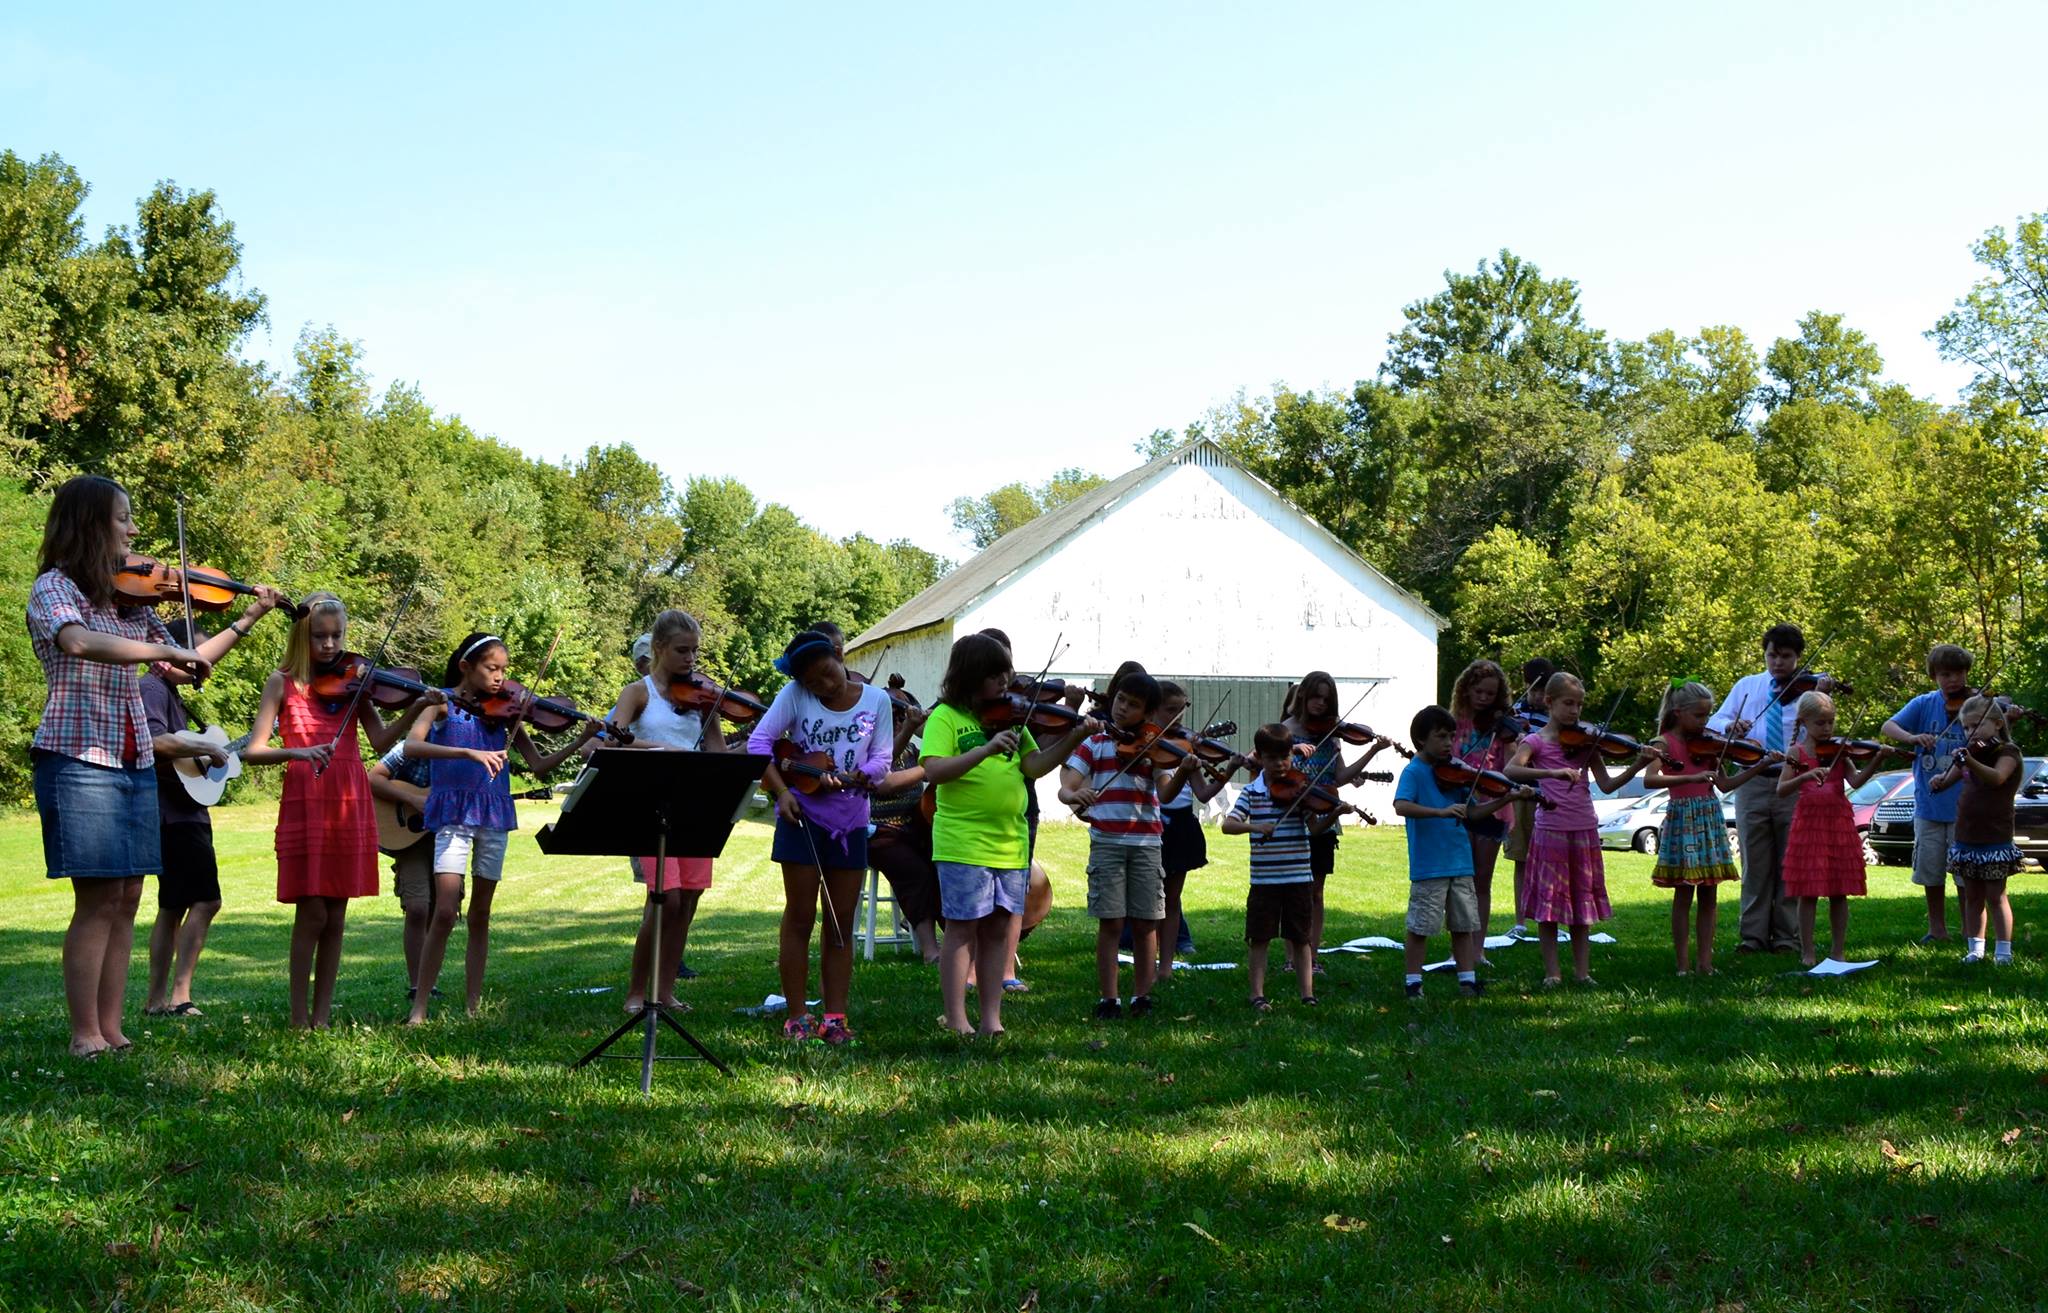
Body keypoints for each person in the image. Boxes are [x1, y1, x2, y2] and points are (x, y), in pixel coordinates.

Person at [27, 476, 217, 1057]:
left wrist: (249, 614)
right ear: (89, 523)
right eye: (122, 518)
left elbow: (189, 665)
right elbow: (79, 643)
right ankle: (85, 1034)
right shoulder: (55, 588)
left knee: (129, 895)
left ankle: (111, 1029)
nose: (133, 531)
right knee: (98, 896)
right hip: (79, 755)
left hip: (132, 757)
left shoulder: (128, 603)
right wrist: (164, 650)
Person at [243, 592, 437, 1028]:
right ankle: (298, 1017)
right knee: (311, 910)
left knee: (336, 911)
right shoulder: (282, 682)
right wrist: (299, 752)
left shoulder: (355, 684)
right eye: (319, 636)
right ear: (300, 635)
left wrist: (416, 708)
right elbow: (254, 751)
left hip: (348, 795)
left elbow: (383, 741)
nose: (330, 645)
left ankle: (322, 1016)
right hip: (307, 793)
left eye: (337, 636)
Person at [401, 632, 601, 1022]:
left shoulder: (507, 713)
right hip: (454, 814)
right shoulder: (441, 702)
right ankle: (420, 1007)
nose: (500, 678)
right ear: (466, 667)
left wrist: (582, 739)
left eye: (504, 670)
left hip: (493, 812)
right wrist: (468, 752)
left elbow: (539, 765)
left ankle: (473, 1007)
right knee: (444, 911)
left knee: (481, 914)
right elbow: (411, 746)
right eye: (492, 668)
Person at [922, 633, 1097, 1037]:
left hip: (1010, 842)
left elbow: (1033, 766)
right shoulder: (946, 718)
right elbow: (934, 770)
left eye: (1007, 675)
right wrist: (984, 750)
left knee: (1000, 928)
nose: (1005, 683)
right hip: (963, 842)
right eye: (995, 676)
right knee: (962, 928)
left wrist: (1074, 737)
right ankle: (956, 1017)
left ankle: (991, 1019)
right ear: (970, 677)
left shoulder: (1012, 717)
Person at [748, 629, 915, 1045]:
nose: (823, 685)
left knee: (841, 924)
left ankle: (835, 1017)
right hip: (801, 817)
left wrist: (870, 773)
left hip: (851, 821)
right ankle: (798, 1016)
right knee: (800, 917)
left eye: (827, 673)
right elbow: (759, 743)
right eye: (812, 681)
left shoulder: (876, 700)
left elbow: (880, 756)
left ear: (840, 655)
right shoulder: (794, 695)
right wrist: (782, 792)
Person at [142, 608, 285, 1018]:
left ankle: (155, 1000)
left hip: (177, 812)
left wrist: (220, 756)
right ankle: (179, 996)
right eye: (195, 659)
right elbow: (157, 742)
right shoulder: (153, 690)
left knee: (171, 906)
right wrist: (205, 749)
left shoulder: (170, 695)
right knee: (206, 900)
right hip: (177, 816)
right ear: (168, 657)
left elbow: (195, 757)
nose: (202, 668)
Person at [1059, 671, 1201, 1019]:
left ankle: (1142, 995)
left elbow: (1166, 793)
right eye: (1120, 700)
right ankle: (1110, 998)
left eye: (1133, 705)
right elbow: (1066, 785)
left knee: (1146, 922)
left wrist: (1183, 770)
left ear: (1148, 714)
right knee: (1110, 922)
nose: (1123, 709)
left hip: (1147, 842)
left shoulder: (1153, 748)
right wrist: (1075, 794)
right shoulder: (1095, 742)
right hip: (1106, 841)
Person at [608, 610, 727, 1010]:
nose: (691, 659)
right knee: (665, 900)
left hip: (694, 806)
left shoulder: (702, 698)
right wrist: (664, 751)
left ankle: (664, 991)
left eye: (695, 651)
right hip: (650, 804)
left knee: (689, 900)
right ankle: (636, 992)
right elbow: (614, 741)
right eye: (681, 650)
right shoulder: (637, 692)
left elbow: (718, 753)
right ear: (658, 648)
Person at [1505, 672, 1657, 985]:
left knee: (1580, 903)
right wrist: (1554, 772)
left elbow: (1607, 783)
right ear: (1549, 702)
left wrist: (1638, 765)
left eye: (1580, 705)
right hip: (1551, 829)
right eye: (1568, 703)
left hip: (1584, 828)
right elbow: (1511, 769)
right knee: (1549, 906)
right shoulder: (1535, 741)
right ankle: (1553, 973)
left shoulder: (1587, 743)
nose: (1575, 711)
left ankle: (1582, 972)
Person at [1645, 681, 1781, 976]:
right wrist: (1687, 779)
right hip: (1683, 819)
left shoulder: (1709, 745)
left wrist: (1761, 765)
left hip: (1709, 818)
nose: (1706, 723)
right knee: (1683, 894)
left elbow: (1724, 784)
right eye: (1699, 716)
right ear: (1679, 713)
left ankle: (1705, 963)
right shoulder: (1664, 743)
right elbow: (1650, 779)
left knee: (1709, 894)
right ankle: (1682, 965)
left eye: (1707, 716)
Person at [1707, 624, 1828, 954]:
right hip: (1751, 781)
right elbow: (1713, 722)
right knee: (1755, 863)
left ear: (1797, 657)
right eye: (1772, 655)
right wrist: (1729, 726)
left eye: (1786, 657)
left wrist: (1824, 692)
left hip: (1791, 781)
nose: (1778, 662)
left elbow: (1823, 731)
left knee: (1789, 862)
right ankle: (1753, 936)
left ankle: (1786, 937)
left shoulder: (1809, 692)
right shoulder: (1748, 686)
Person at [1393, 706, 1519, 999]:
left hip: (1460, 863)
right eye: (1441, 737)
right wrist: (1439, 811)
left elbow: (1473, 814)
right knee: (1421, 926)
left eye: (1451, 736)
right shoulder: (1414, 771)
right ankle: (1413, 982)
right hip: (1430, 866)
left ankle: (1467, 981)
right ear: (1421, 740)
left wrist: (1507, 798)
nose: (1449, 743)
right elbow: (1401, 805)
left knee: (1464, 925)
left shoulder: (1456, 772)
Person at [1281, 669, 1396, 961]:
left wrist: (1372, 751)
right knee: (1292, 892)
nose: (1320, 704)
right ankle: (1291, 957)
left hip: (1325, 815)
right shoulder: (1285, 730)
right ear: (1304, 695)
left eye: (1327, 699)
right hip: (1292, 815)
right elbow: (1268, 764)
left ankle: (1313, 956)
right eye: (1316, 697)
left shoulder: (1333, 735)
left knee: (1316, 892)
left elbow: (1341, 775)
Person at [1220, 724, 1336, 1010]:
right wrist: (1256, 825)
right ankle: (1257, 994)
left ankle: (1307, 993)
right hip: (1265, 880)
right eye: (1273, 758)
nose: (1281, 764)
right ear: (1259, 757)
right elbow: (1228, 825)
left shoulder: (1300, 790)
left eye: (1286, 757)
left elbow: (1315, 828)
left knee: (1301, 937)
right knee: (1259, 937)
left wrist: (1334, 813)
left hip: (1298, 877)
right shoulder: (1252, 792)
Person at [1778, 692, 1886, 967]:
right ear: (1804, 722)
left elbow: (1857, 780)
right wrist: (1804, 775)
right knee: (1809, 892)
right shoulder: (1796, 753)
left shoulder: (1840, 753)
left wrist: (1876, 759)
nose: (1827, 729)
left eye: (1830, 722)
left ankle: (1838, 951)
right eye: (1820, 723)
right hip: (1809, 825)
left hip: (1838, 823)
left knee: (1839, 890)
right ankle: (1808, 951)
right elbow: (1782, 789)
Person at [1878, 644, 1976, 943]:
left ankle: (1971, 930)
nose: (1954, 680)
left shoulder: (1975, 705)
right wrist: (1912, 737)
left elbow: (1994, 733)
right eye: (1946, 674)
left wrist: (2006, 716)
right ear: (1934, 676)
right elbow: (1888, 725)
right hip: (1929, 806)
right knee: (1930, 872)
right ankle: (1937, 929)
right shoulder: (1923, 704)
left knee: (1965, 874)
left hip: (1965, 806)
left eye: (1959, 673)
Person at [1927, 695, 2027, 964]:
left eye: (1975, 726)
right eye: (1966, 728)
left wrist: (1968, 761)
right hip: (1967, 834)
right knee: (1972, 896)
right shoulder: (1972, 754)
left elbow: (1996, 778)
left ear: (1996, 724)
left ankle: (2003, 952)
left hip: (1995, 834)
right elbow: (1950, 779)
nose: (1970, 733)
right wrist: (1940, 780)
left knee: (1996, 895)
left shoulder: (2008, 752)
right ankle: (1976, 949)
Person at [1150, 680, 1222, 975]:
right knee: (1151, 901)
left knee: (1172, 899)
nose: (1178, 718)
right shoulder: (1147, 744)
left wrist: (1226, 772)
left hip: (1181, 824)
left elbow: (1203, 794)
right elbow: (1163, 788)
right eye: (1170, 711)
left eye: (1182, 711)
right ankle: (1149, 964)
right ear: (1153, 710)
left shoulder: (1185, 745)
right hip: (1153, 824)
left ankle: (1165, 966)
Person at [1449, 659, 1521, 949]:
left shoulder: (1503, 728)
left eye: (1490, 695)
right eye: (1478, 692)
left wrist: (1511, 739)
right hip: (1460, 806)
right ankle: (1460, 946)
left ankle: (1477, 950)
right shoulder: (1454, 724)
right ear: (1466, 690)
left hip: (1493, 807)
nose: (1483, 699)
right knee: (1459, 879)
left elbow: (1511, 766)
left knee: (1482, 881)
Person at [365, 739, 435, 998]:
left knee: (441, 911)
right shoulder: (409, 746)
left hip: (446, 834)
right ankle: (417, 986)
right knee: (417, 908)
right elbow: (373, 778)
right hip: (409, 836)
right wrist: (413, 799)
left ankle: (431, 983)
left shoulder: (462, 749)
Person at [1502, 657, 1555, 938]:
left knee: (1551, 859)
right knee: (1521, 858)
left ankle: (1551, 916)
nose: (1538, 697)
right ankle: (1520, 920)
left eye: (1543, 692)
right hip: (1522, 793)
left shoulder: (1555, 718)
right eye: (1534, 691)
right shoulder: (1515, 713)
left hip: (1548, 792)